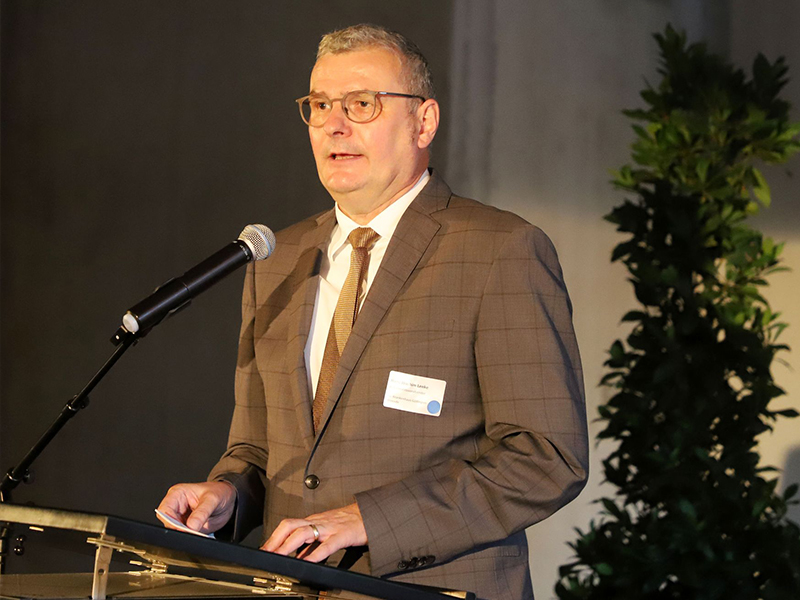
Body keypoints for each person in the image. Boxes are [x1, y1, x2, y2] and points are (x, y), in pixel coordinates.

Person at [157, 23, 588, 600]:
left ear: (423, 122)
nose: (335, 124)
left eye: (362, 104)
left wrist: (369, 520)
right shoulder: (277, 260)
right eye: (319, 105)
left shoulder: (499, 250)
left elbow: (547, 458)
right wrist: (227, 494)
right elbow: (258, 450)